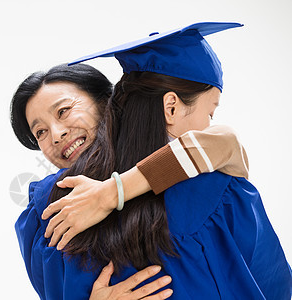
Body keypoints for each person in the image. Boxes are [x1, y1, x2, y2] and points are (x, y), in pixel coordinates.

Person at [15, 22, 292, 299]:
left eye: (64, 111)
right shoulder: (218, 191)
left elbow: (222, 142)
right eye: (39, 132)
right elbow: (272, 287)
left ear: (107, 103)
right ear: (170, 106)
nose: (56, 134)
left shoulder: (49, 211)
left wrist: (113, 192)